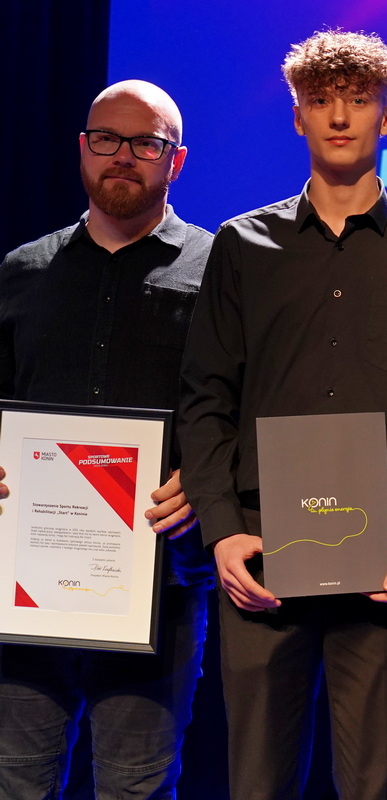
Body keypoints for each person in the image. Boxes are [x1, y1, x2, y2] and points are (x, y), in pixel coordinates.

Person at [177, 31, 387, 800]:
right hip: (263, 550)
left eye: (358, 100)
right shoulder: (243, 244)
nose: (340, 116)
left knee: (374, 785)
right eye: (320, 100)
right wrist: (222, 529)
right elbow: (206, 398)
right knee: (257, 783)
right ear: (297, 117)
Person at [0, 80, 212, 799]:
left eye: (146, 143)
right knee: (16, 782)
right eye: (107, 139)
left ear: (175, 160)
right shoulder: (24, 270)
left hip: (159, 579)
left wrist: (207, 476)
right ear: (82, 149)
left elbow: (247, 409)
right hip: (28, 580)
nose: (123, 155)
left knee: (135, 787)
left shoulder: (220, 271)